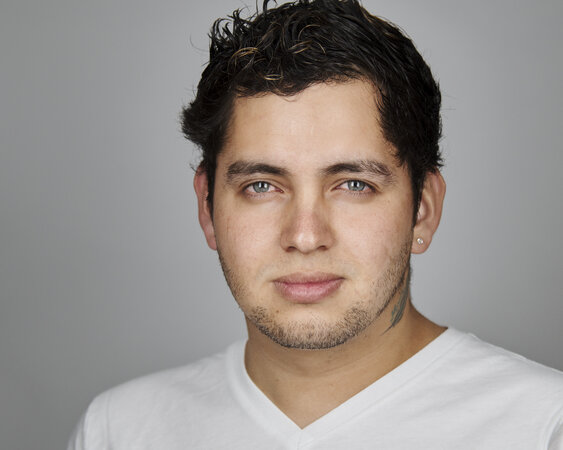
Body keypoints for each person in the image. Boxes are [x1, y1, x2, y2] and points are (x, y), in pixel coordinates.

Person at [68, 0, 563, 448]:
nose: (305, 237)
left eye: (354, 185)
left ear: (424, 210)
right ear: (207, 207)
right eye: (262, 185)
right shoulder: (120, 430)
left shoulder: (543, 426)